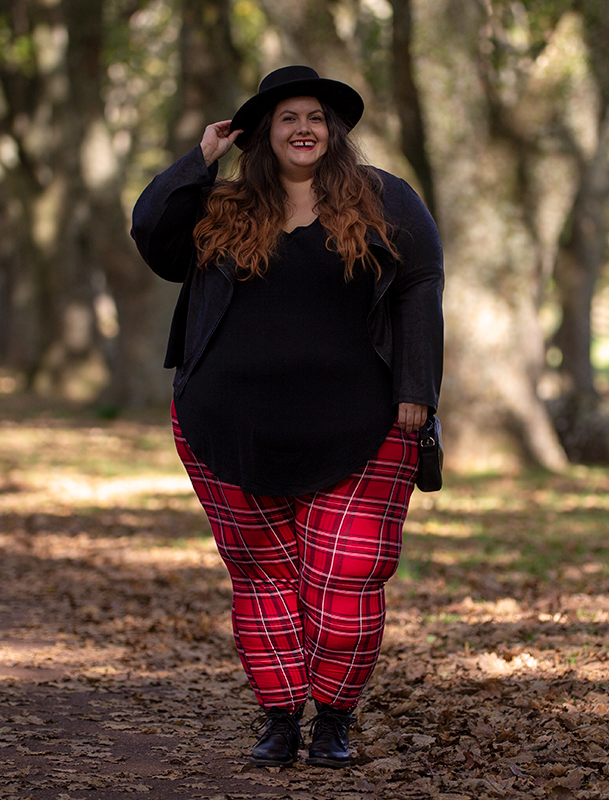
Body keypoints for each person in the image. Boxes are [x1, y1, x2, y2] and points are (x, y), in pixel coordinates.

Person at [130, 66, 443, 768]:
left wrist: (419, 387)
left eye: (316, 117)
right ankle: (278, 720)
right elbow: (151, 235)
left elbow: (422, 285)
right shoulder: (222, 205)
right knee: (263, 579)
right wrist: (198, 158)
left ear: (334, 132)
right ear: (262, 135)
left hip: (365, 426)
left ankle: (333, 720)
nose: (304, 128)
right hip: (225, 425)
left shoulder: (386, 199)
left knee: (349, 576)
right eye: (287, 118)